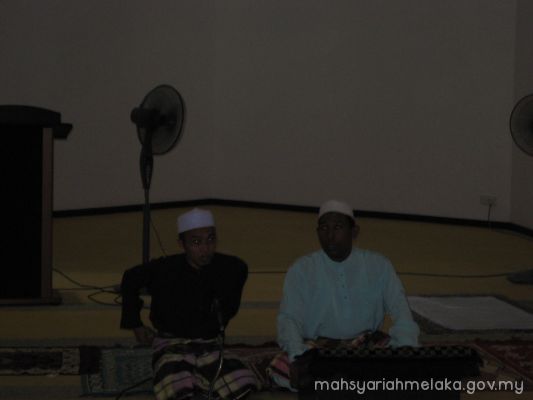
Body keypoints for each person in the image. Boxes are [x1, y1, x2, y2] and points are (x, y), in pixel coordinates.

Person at [270, 199, 419, 389]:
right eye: (324, 229)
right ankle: (355, 382)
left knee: (401, 357)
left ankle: (336, 382)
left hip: (366, 346)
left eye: (338, 228)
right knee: (281, 366)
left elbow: (401, 311)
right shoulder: (301, 269)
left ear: (354, 232)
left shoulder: (378, 265)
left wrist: (406, 350)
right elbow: (289, 318)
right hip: (319, 349)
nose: (330, 236)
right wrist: (298, 357)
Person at [120, 208, 258, 400]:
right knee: (178, 391)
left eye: (210, 240)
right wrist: (135, 324)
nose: (205, 248)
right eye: (196, 242)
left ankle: (201, 378)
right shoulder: (165, 269)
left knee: (242, 385)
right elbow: (129, 279)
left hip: (209, 345)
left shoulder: (230, 268)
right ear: (181, 244)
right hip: (172, 344)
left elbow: (231, 301)